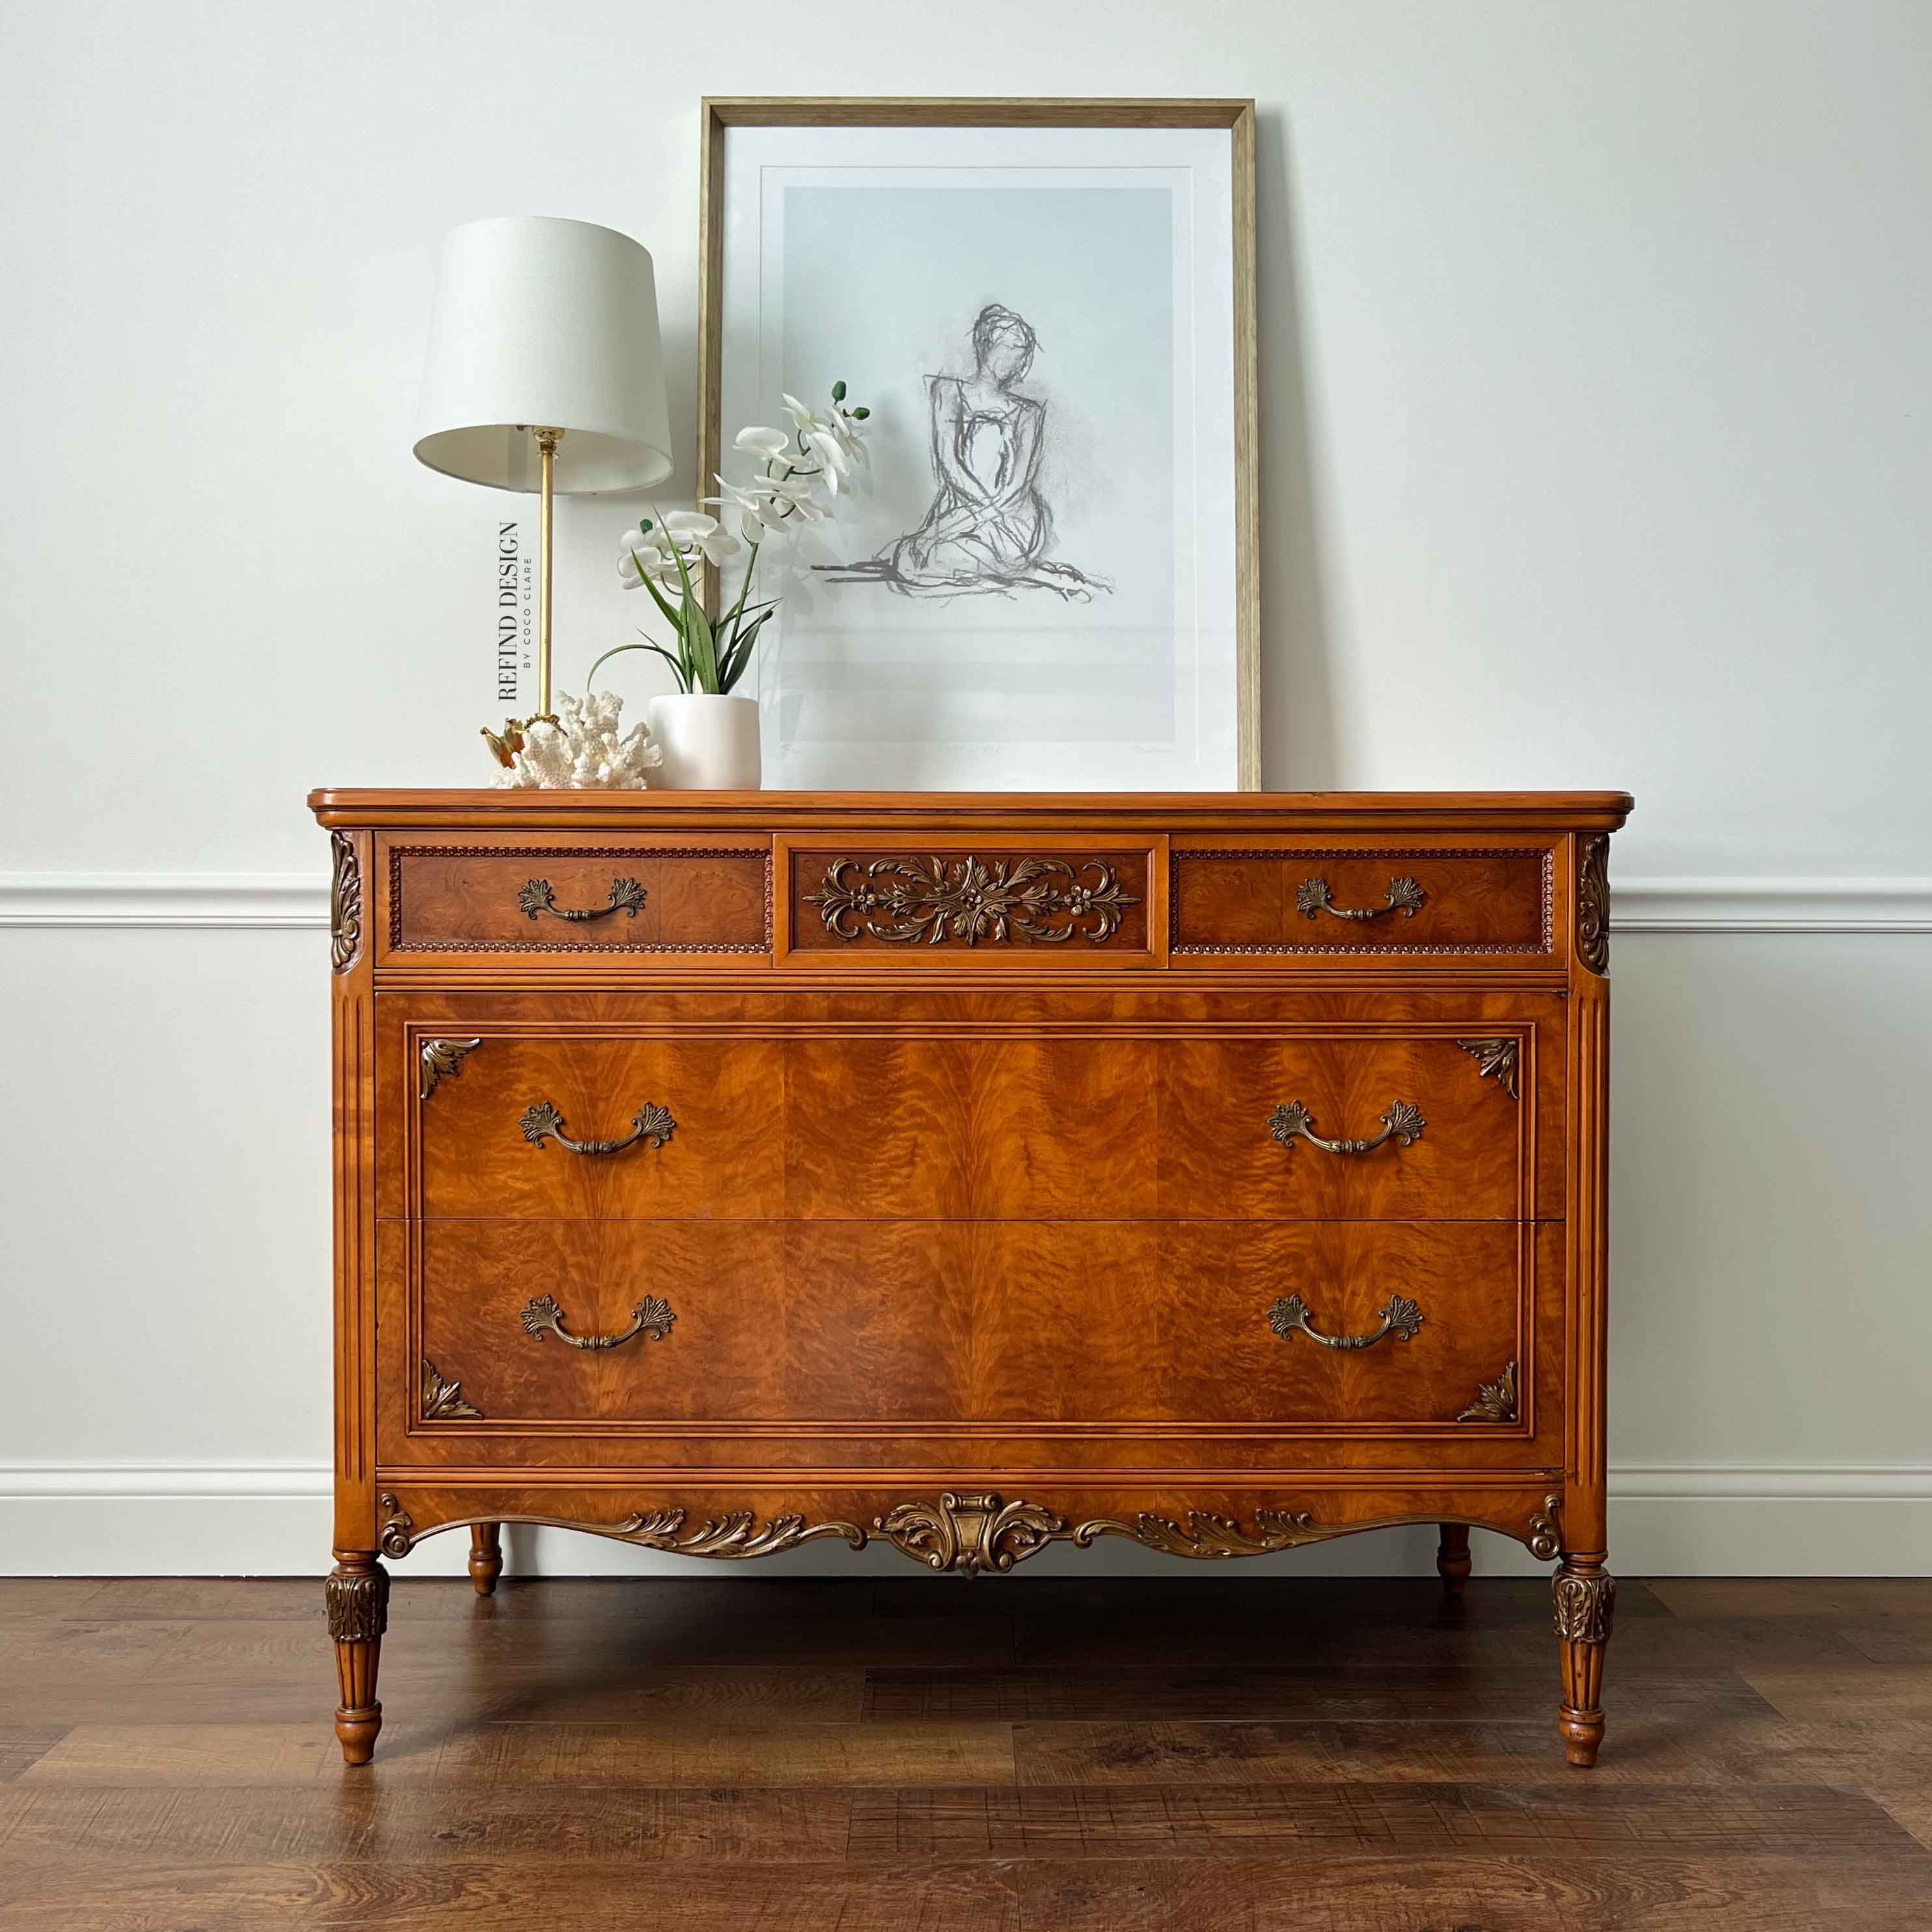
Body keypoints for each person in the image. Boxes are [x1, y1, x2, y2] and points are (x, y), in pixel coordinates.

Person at [818, 304, 1107, 601]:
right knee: (908, 560)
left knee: (916, 565)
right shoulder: (947, 393)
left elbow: (1018, 484)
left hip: (1013, 520)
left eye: (1022, 351)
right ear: (985, 343)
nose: (1016, 358)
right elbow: (949, 463)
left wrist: (974, 519)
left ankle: (1032, 573)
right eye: (1010, 347)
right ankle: (1025, 573)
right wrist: (958, 520)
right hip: (959, 511)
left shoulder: (1028, 413)